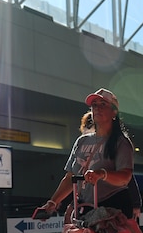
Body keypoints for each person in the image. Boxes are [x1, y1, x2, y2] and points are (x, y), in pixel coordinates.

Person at [37, 88, 135, 220]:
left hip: (113, 207)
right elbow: (70, 177)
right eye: (94, 105)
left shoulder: (121, 142)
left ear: (114, 112)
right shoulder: (82, 141)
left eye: (103, 104)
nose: (97, 108)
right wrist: (52, 202)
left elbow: (125, 177)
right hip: (85, 207)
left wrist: (102, 174)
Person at [79, 110, 142, 219]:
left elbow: (127, 178)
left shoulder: (117, 143)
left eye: (88, 126)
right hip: (89, 203)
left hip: (110, 202)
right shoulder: (84, 144)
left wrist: (136, 204)